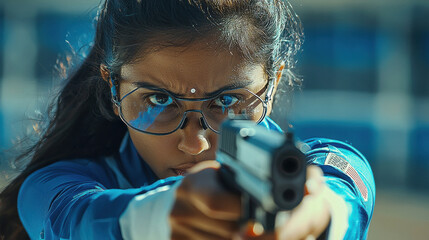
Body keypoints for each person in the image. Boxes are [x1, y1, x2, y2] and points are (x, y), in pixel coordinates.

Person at [0, 0, 375, 239]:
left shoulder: (318, 164)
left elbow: (340, 191)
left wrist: (318, 215)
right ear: (113, 89)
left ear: (272, 86)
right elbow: (72, 219)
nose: (194, 144)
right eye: (159, 99)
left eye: (227, 100)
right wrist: (160, 216)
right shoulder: (56, 185)